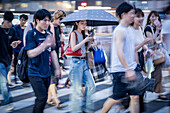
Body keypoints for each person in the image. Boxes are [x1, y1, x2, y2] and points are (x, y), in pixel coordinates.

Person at [101, 2, 154, 113]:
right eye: (132, 14)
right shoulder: (120, 30)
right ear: (123, 14)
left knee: (135, 97)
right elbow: (120, 52)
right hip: (120, 71)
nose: (133, 16)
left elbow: (132, 50)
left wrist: (138, 68)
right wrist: (128, 69)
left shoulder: (130, 29)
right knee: (116, 98)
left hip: (132, 68)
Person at [25, 9, 61, 113]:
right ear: (37, 20)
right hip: (34, 72)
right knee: (41, 97)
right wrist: (44, 45)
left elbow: (53, 51)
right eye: (44, 20)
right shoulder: (31, 34)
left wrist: (57, 69)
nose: (47, 23)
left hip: (46, 72)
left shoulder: (49, 33)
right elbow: (30, 53)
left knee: (43, 98)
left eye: (48, 20)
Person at [68, 20, 96, 113]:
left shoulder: (84, 34)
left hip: (84, 62)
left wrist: (89, 42)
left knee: (91, 85)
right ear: (76, 23)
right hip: (76, 62)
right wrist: (85, 40)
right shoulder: (73, 34)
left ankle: (86, 108)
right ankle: (76, 110)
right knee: (76, 90)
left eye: (85, 23)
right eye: (82, 23)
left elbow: (85, 49)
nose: (84, 25)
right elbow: (73, 48)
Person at [129, 8, 153, 112]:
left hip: (140, 58)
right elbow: (131, 49)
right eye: (138, 16)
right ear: (132, 17)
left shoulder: (140, 28)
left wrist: (147, 50)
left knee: (139, 90)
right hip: (132, 60)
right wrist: (143, 44)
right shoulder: (129, 30)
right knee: (136, 92)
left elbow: (142, 44)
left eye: (142, 16)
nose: (141, 18)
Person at [144, 11, 168, 100]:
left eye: (156, 17)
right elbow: (152, 41)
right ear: (149, 18)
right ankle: (144, 90)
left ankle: (159, 93)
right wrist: (157, 31)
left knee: (157, 74)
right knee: (151, 74)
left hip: (156, 54)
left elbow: (159, 40)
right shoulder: (148, 28)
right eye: (152, 16)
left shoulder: (156, 28)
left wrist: (158, 31)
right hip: (150, 54)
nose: (154, 18)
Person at [46, 10, 67, 108]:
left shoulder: (58, 27)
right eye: (60, 19)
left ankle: (49, 99)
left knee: (53, 78)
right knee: (52, 79)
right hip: (49, 56)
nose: (61, 22)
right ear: (56, 18)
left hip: (55, 55)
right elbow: (52, 42)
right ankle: (56, 100)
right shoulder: (49, 26)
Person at [0, 11, 19, 111]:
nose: (9, 24)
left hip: (8, 59)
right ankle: (8, 102)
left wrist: (15, 43)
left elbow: (16, 40)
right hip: (0, 60)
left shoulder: (12, 30)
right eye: (8, 22)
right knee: (4, 82)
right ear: (4, 20)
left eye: (11, 22)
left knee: (1, 82)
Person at [13, 14, 28, 85]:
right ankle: (16, 77)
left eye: (24, 20)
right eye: (22, 20)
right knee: (16, 63)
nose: (23, 21)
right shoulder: (16, 28)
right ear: (19, 20)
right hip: (17, 49)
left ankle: (23, 77)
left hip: (24, 49)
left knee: (24, 63)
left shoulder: (27, 28)